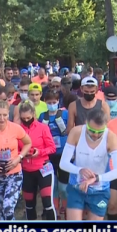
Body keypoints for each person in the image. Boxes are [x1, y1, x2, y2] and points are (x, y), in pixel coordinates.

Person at [59, 108, 117, 232]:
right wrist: (79, 170)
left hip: (99, 189)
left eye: (99, 132)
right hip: (77, 186)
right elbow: (63, 163)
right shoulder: (76, 132)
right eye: (92, 131)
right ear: (86, 123)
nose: (95, 135)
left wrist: (97, 178)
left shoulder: (111, 137)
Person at [18, 102, 57, 220]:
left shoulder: (43, 128)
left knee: (47, 203)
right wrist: (21, 154)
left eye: (28, 118)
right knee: (29, 204)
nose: (26, 120)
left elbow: (52, 148)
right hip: (26, 170)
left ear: (34, 114)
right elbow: (15, 148)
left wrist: (39, 152)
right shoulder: (18, 129)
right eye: (23, 118)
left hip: (43, 168)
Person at [40, 90, 70, 220]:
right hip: (49, 155)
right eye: (49, 102)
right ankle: (55, 209)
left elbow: (71, 130)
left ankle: (67, 207)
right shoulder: (42, 116)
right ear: (45, 102)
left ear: (58, 102)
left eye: (54, 102)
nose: (52, 104)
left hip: (63, 153)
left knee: (64, 186)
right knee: (54, 185)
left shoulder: (65, 114)